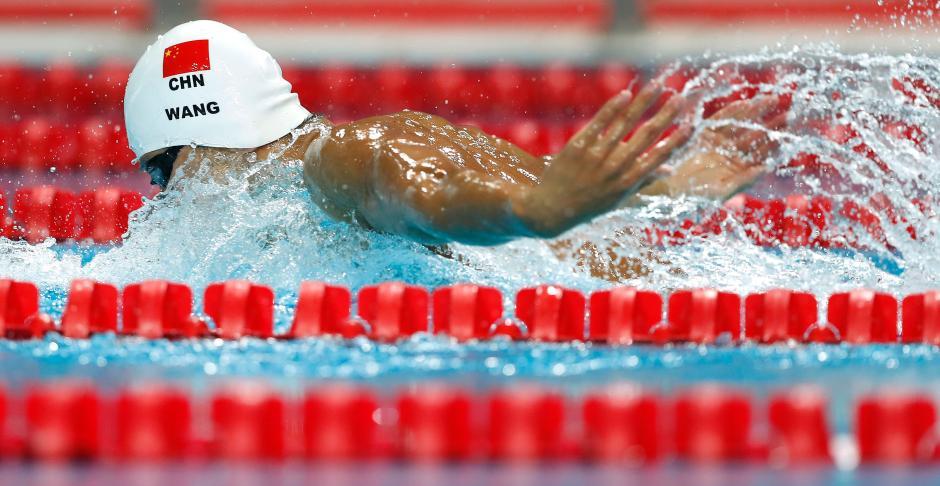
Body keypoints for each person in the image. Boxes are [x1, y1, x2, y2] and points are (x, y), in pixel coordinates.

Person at [125, 21, 783, 275]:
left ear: (201, 143)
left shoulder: (336, 160)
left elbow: (401, 181)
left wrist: (535, 212)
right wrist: (679, 184)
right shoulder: (332, 167)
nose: (162, 197)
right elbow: (540, 183)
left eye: (160, 171)